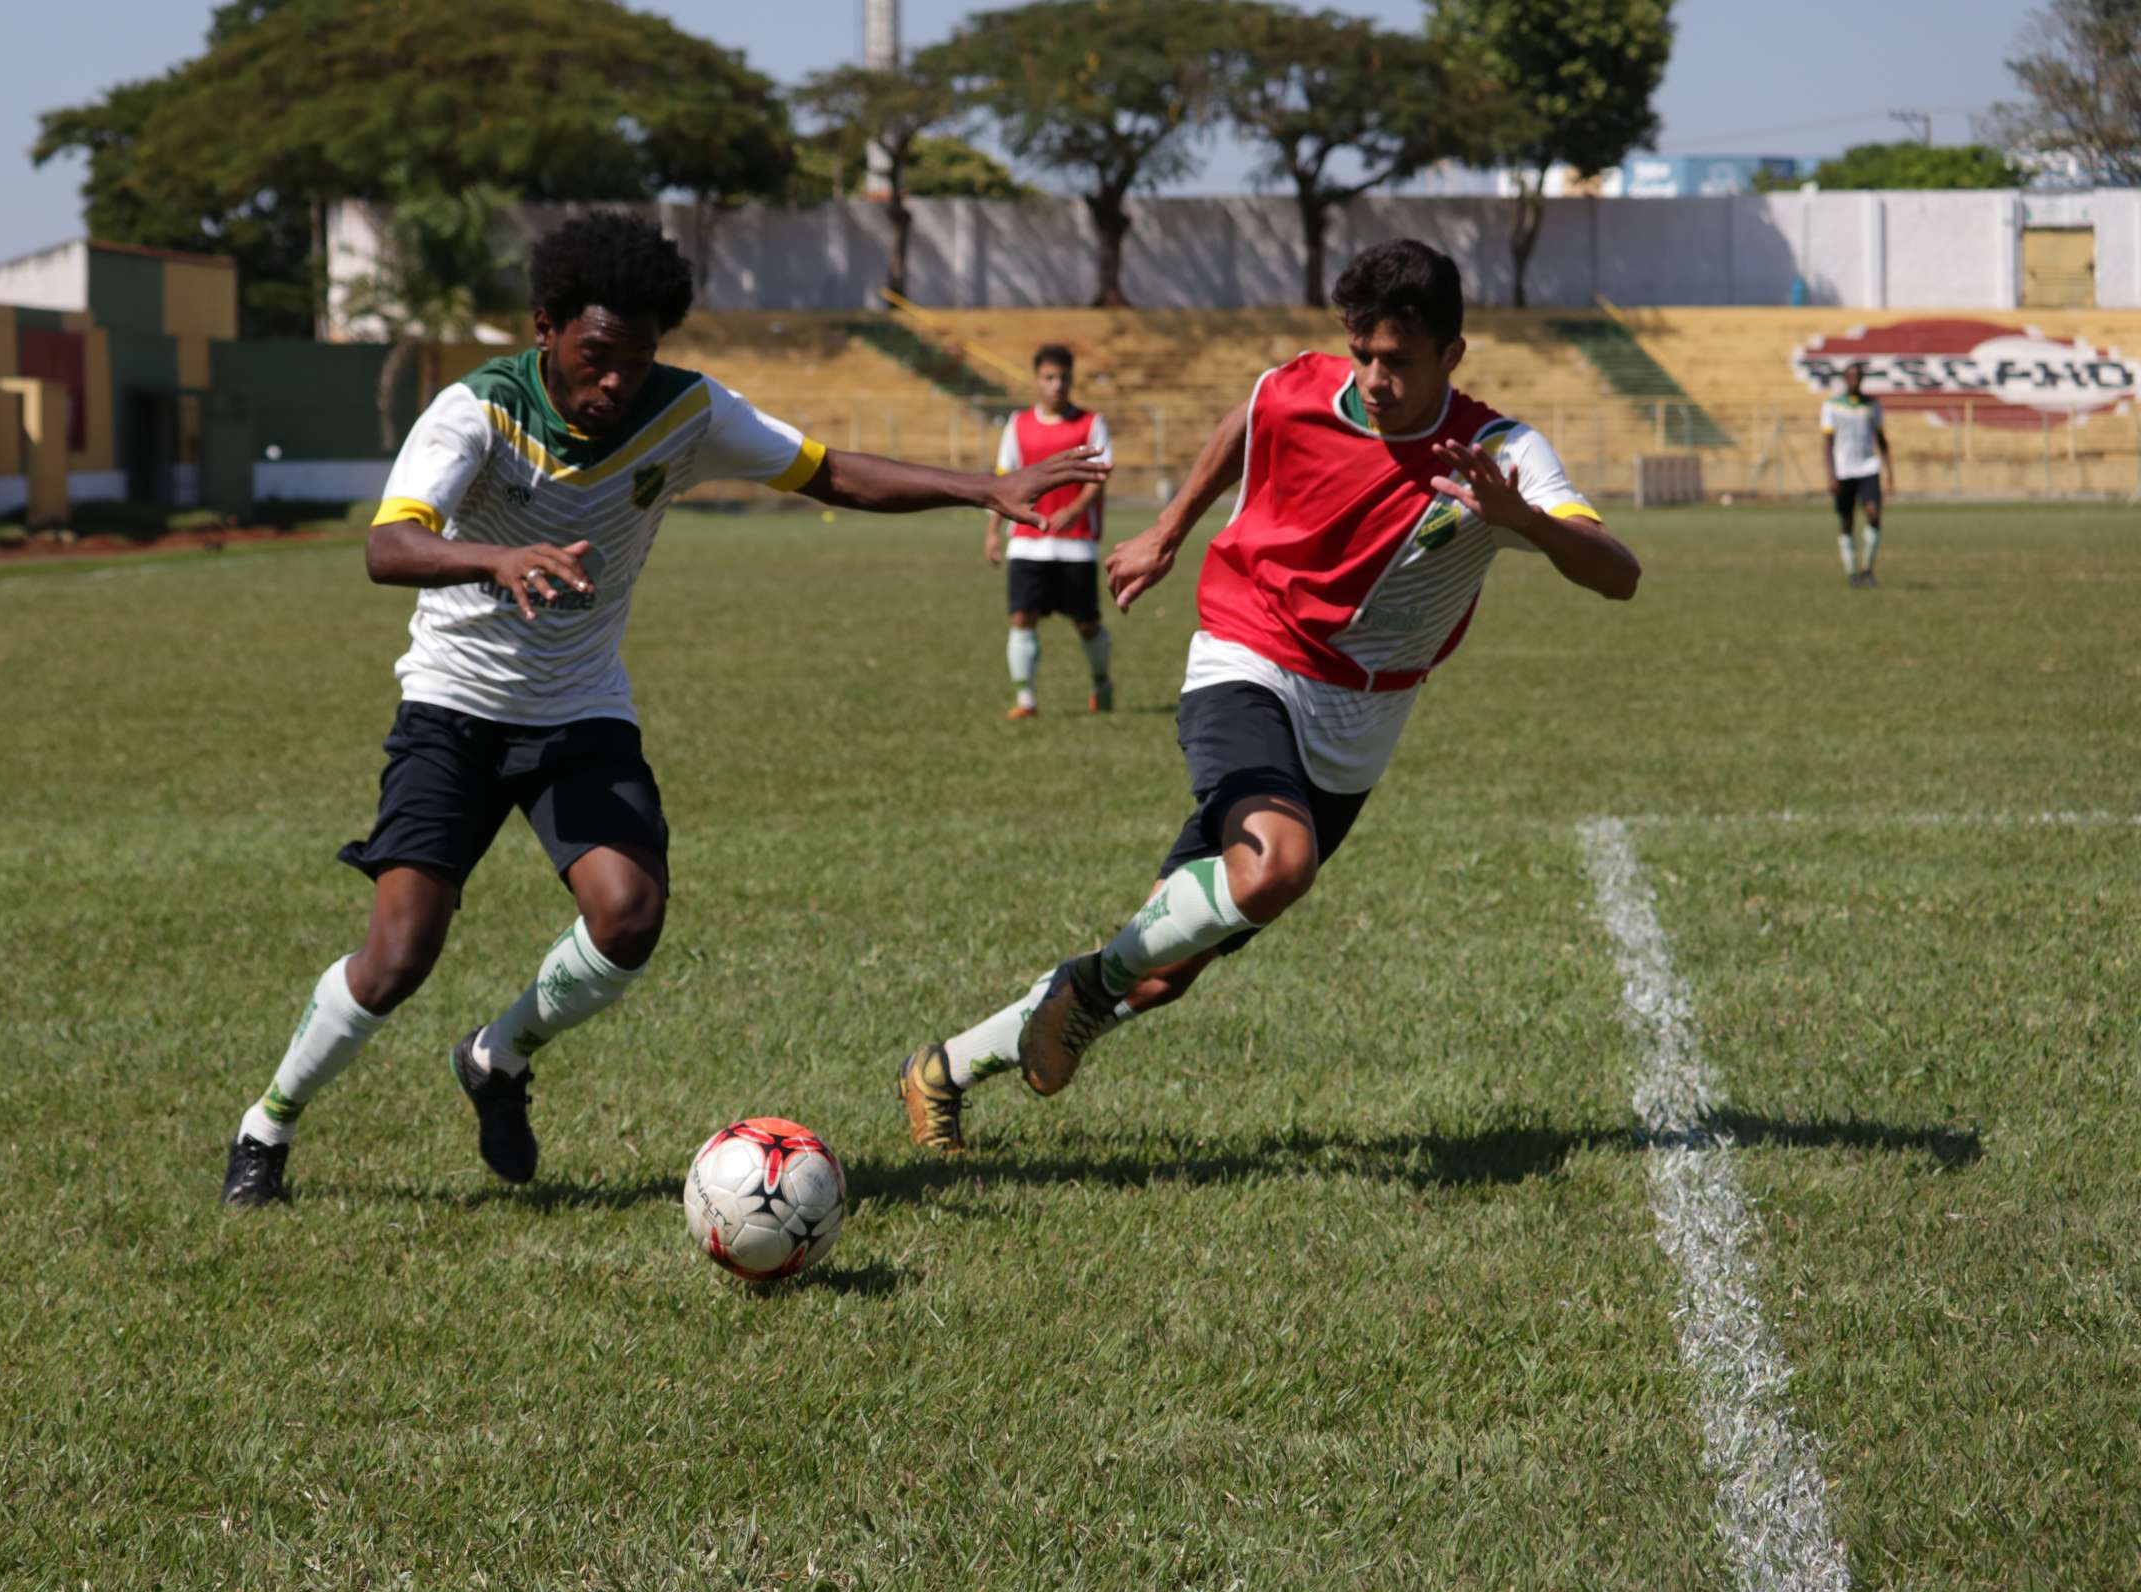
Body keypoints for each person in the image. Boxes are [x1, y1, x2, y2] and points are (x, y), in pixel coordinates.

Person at [222, 211, 1104, 1207]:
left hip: (579, 710)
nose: (614, 384)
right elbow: (390, 547)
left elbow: (828, 471)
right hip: (455, 709)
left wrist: (980, 488)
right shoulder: (475, 411)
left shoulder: (684, 412)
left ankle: (498, 1056)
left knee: (630, 913)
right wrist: (497, 557)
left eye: (634, 363)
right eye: (596, 358)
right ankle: (267, 1127)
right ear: (546, 326)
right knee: (396, 957)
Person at [898, 240, 1641, 1150]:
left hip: (1363, 720)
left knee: (1169, 965)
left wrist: (1524, 521)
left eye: (1398, 361)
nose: (1373, 377)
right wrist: (1171, 530)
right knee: (1277, 865)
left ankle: (946, 1067)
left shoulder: (1501, 454)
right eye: (1362, 353)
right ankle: (1082, 991)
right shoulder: (1299, 389)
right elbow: (1248, 415)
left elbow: (1619, 576)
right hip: (1248, 656)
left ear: (1453, 354)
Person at [984, 345, 1114, 717]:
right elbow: (1002, 480)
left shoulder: (1091, 423)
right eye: (1049, 378)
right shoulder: (1018, 424)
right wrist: (993, 531)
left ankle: (1101, 681)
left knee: (1087, 623)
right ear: (1037, 380)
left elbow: (1101, 473)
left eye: (1063, 378)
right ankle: (1026, 699)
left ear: (1072, 379)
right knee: (1022, 617)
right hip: (1027, 543)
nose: (1057, 385)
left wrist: (1074, 510)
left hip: (1075, 545)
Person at [1820, 364, 1891, 588]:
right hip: (1843, 470)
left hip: (1867, 467)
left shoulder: (1872, 405)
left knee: (1873, 514)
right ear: (1845, 378)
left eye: (1858, 377)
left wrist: (1890, 471)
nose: (1855, 380)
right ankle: (1852, 572)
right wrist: (1831, 475)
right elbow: (1827, 443)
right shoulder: (1832, 406)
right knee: (1847, 520)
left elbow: (1882, 440)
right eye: (1851, 376)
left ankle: (1867, 569)